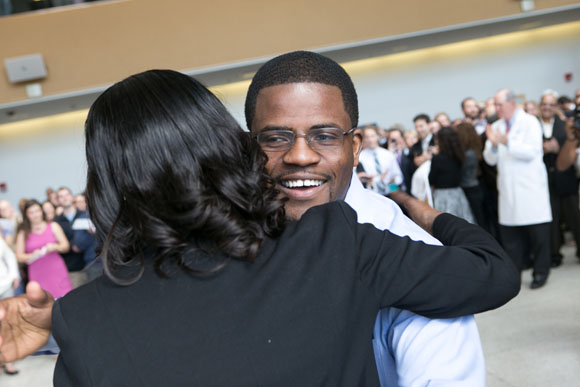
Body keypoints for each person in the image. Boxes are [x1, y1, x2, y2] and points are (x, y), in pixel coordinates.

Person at [1, 69, 519, 386]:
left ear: (106, 187)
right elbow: (493, 273)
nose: (299, 156)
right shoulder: (332, 242)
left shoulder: (82, 320)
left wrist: (70, 324)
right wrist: (423, 212)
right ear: (232, 148)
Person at [244, 51, 490, 385]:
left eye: (325, 135)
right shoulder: (230, 239)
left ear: (355, 146)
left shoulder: (414, 260)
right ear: (249, 149)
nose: (300, 156)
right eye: (275, 139)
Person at [484, 88, 552, 289]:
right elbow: (489, 158)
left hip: (530, 189)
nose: (496, 109)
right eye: (495, 105)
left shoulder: (530, 122)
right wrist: (495, 146)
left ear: (511, 103)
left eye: (499, 105)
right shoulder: (496, 126)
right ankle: (515, 275)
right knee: (512, 239)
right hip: (508, 190)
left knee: (539, 237)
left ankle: (541, 273)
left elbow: (532, 151)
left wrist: (508, 142)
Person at [539, 90, 580, 267]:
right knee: (551, 220)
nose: (547, 107)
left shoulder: (566, 125)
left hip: (566, 178)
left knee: (575, 218)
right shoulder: (533, 125)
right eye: (544, 104)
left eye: (551, 104)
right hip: (544, 182)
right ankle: (555, 255)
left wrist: (557, 150)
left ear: (556, 107)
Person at [14, 200, 72, 299]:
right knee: (45, 301)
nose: (35, 215)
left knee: (66, 297)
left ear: (42, 211)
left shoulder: (53, 226)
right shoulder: (23, 232)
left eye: (37, 211)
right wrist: (32, 255)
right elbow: (19, 256)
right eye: (31, 212)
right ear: (26, 215)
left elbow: (66, 246)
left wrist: (55, 247)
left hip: (56, 269)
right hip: (37, 272)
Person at [428, 127, 475, 223]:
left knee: (447, 224)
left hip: (442, 195)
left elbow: (431, 179)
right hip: (458, 193)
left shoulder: (437, 158)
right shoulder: (460, 155)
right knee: (463, 221)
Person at [358, 124, 403, 196]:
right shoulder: (360, 158)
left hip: (391, 193)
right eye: (367, 137)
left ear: (377, 136)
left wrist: (392, 184)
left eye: (372, 136)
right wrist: (378, 180)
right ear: (364, 139)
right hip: (372, 195)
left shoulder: (388, 154)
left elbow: (399, 176)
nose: (370, 139)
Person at [0, 236, 20, 376]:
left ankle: (8, 361)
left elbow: (9, 255)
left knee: (7, 324)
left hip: (5, 285)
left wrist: (14, 275)